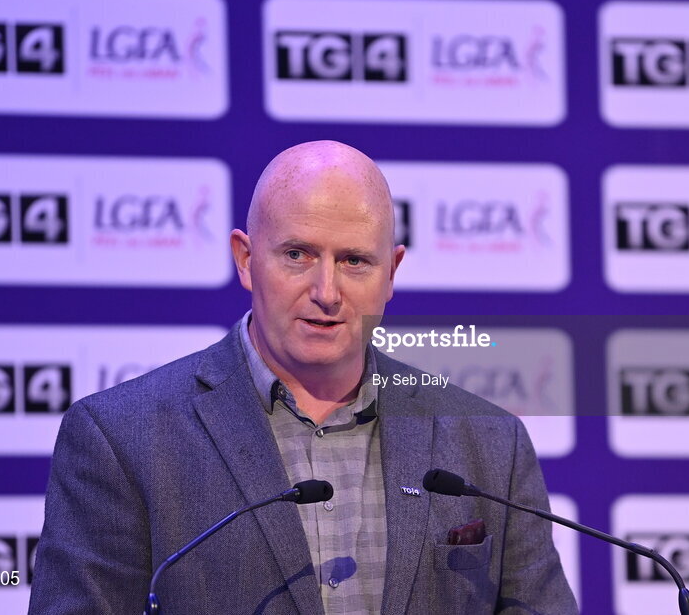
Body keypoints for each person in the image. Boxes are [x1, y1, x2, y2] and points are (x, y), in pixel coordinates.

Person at [28, 141, 576, 614]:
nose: (327, 292)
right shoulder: (121, 438)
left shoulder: (488, 442)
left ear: (392, 273)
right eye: (298, 254)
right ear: (245, 260)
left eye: (355, 261)